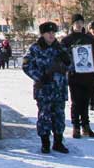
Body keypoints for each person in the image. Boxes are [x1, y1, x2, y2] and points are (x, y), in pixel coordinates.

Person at [23, 22, 70, 154]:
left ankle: (58, 142)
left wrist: (66, 62)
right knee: (44, 117)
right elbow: (26, 66)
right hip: (44, 90)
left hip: (59, 89)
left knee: (59, 117)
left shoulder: (60, 48)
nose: (51, 35)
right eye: (48, 33)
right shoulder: (35, 49)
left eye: (53, 33)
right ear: (43, 34)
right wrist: (39, 77)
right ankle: (45, 143)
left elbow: (70, 66)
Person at [60, 14, 94, 139]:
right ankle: (76, 126)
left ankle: (86, 126)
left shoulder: (89, 39)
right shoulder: (67, 40)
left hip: (88, 74)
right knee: (76, 102)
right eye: (76, 22)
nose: (78, 24)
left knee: (85, 101)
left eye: (80, 22)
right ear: (72, 24)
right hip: (74, 75)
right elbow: (62, 58)